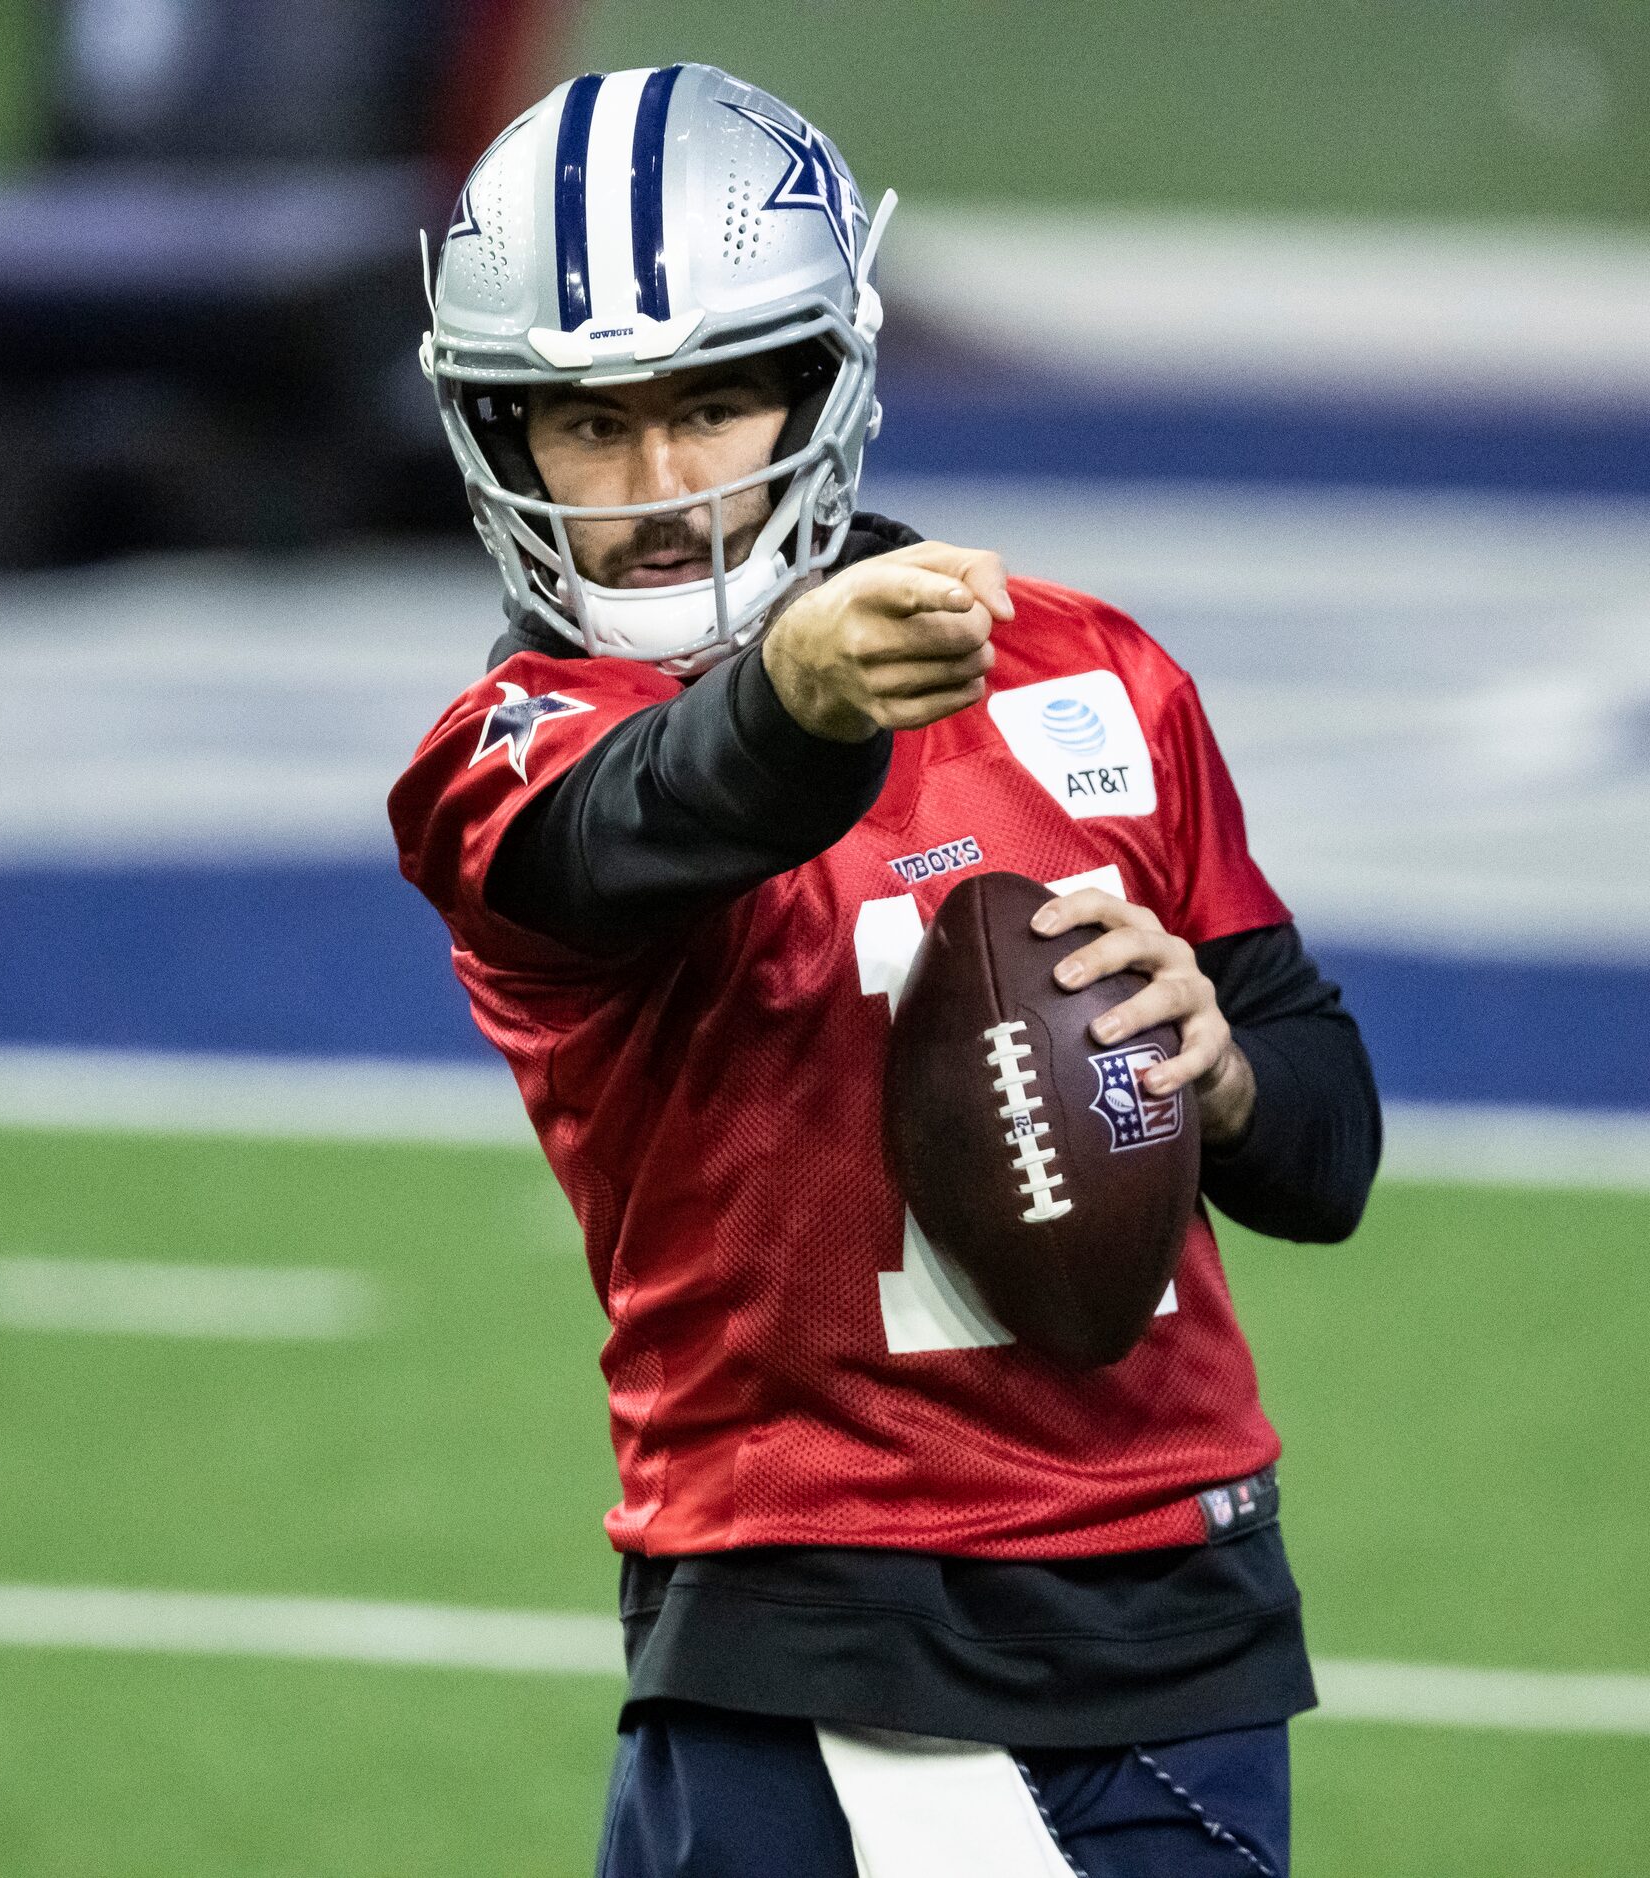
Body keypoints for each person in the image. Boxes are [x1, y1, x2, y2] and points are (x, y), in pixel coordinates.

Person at [390, 62, 1380, 1878]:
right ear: (495, 435)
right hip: (814, 1628)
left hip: (1180, 1618)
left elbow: (1325, 1151)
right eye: (582, 424)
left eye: (710, 404)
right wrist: (795, 691)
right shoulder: (508, 749)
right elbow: (647, 821)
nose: (660, 486)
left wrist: (1219, 1069)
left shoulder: (1089, 672)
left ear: (825, 383)